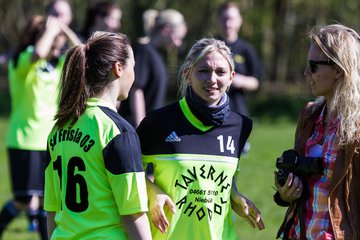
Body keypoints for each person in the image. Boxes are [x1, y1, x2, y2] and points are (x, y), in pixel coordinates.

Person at [136, 37, 265, 239]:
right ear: (188, 74)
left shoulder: (241, 126)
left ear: (231, 77)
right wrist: (152, 191)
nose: (212, 79)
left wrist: (233, 196)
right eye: (203, 70)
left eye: (220, 72)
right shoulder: (158, 122)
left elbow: (220, 178)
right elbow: (126, 172)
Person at [44, 31, 151, 240]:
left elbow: (51, 209)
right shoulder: (117, 131)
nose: (134, 74)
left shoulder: (59, 128)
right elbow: (133, 212)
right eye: (133, 67)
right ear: (119, 68)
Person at [274, 24, 360, 240]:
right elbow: (302, 184)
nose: (306, 72)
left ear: (339, 70)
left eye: (313, 66)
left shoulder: (356, 126)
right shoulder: (310, 115)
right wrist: (285, 193)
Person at [0, 14, 80, 240]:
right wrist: (51, 30)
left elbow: (81, 51)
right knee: (24, 199)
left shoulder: (57, 65)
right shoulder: (23, 59)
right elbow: (38, 52)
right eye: (54, 43)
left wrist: (63, 29)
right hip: (24, 139)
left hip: (51, 140)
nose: (58, 48)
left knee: (49, 198)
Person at [119, 8, 187, 128]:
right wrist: (140, 127)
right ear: (166, 30)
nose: (178, 44)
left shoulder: (155, 54)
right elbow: (136, 90)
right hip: (133, 127)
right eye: (177, 38)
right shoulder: (144, 50)